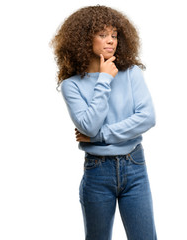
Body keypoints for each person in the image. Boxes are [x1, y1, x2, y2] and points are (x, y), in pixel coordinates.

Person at [52, 5, 157, 239]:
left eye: (114, 35)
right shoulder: (72, 85)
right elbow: (88, 126)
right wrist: (104, 79)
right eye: (103, 35)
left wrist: (101, 136)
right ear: (83, 39)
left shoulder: (131, 73)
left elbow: (147, 118)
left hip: (135, 167)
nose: (111, 41)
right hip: (97, 172)